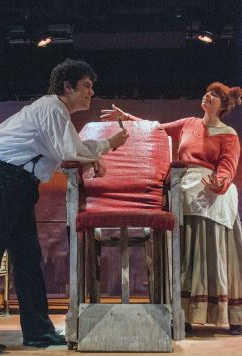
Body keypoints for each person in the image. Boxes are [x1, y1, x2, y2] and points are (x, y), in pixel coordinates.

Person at [0, 58, 128, 354]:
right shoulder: (52, 108)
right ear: (67, 86)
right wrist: (105, 148)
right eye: (86, 86)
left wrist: (97, 153)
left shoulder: (55, 114)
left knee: (27, 258)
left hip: (16, 184)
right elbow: (69, 150)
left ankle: (38, 331)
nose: (91, 93)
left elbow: (65, 150)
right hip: (3, 180)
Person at [100, 82, 242, 335]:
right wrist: (127, 119)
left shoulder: (228, 134)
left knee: (209, 240)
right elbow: (154, 129)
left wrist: (219, 183)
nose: (208, 96)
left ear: (224, 105)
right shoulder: (189, 123)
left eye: (215, 95)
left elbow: (227, 167)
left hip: (212, 189)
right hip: (183, 185)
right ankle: (184, 311)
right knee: (185, 236)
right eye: (207, 92)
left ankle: (226, 313)